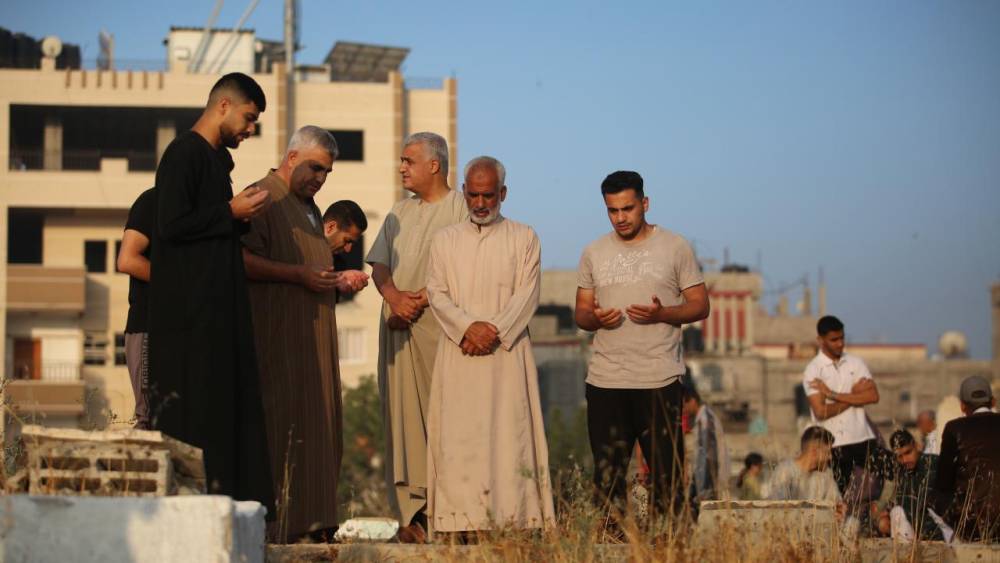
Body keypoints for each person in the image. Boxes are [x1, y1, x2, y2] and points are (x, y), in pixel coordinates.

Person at [148, 72, 274, 512]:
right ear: (223, 106)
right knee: (194, 416)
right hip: (189, 320)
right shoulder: (184, 154)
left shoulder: (217, 161)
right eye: (248, 117)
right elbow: (171, 225)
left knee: (228, 411)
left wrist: (238, 217)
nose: (250, 129)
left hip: (219, 314)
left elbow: (207, 229)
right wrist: (229, 210)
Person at [241, 126, 368, 542]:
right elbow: (238, 260)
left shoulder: (309, 208)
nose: (320, 179)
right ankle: (280, 531)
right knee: (282, 435)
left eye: (327, 172)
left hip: (314, 345)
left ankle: (315, 526)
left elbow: (313, 265)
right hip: (278, 344)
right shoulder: (263, 196)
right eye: (315, 168)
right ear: (292, 157)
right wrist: (298, 274)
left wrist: (336, 278)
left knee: (321, 432)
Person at [424, 156, 555, 534]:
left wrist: (492, 331)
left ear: (503, 194)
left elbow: (527, 294)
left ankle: (514, 521)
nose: (481, 204)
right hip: (458, 351)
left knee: (507, 436)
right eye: (474, 195)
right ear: (464, 192)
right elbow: (437, 292)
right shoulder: (444, 240)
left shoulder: (524, 237)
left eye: (489, 196)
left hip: (506, 355)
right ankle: (457, 523)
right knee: (457, 438)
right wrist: (466, 327)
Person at [574, 170, 710, 527]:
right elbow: (581, 313)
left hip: (659, 379)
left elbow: (700, 304)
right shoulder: (594, 252)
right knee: (608, 478)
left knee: (666, 478)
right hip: (605, 381)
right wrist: (596, 319)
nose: (621, 218)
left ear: (645, 204)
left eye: (628, 209)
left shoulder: (675, 247)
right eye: (613, 210)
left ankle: (667, 544)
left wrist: (663, 313)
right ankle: (613, 544)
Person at [365, 132, 467, 542]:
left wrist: (416, 303)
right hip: (397, 335)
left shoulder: (461, 208)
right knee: (402, 422)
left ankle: (453, 515)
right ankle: (415, 519)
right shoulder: (398, 211)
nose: (402, 167)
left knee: (447, 421)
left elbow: (462, 269)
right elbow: (379, 264)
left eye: (409, 160)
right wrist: (393, 300)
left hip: (438, 335)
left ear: (434, 165)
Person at [803, 315, 890, 494]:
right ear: (820, 340)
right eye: (834, 340)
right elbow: (820, 412)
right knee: (841, 496)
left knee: (895, 473)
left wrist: (833, 395)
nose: (840, 343)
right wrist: (855, 396)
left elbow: (873, 396)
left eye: (842, 338)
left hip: (863, 438)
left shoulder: (855, 363)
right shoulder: (813, 370)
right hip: (833, 445)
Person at [934, 375, 1000, 543]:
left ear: (962, 406)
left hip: (970, 525)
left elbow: (943, 483)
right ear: (993, 402)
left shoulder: (954, 429)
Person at [117, 187, 155, 429]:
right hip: (147, 324)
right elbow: (127, 260)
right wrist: (181, 284)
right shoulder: (153, 202)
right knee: (149, 416)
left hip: (179, 327)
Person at [765, 426, 842, 505]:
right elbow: (777, 509)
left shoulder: (826, 474)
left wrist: (838, 510)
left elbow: (836, 502)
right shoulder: (785, 471)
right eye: (827, 452)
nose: (830, 457)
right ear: (814, 452)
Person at [682, 385, 730, 503]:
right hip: (704, 482)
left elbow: (709, 457)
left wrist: (704, 489)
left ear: (692, 401)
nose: (684, 409)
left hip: (709, 484)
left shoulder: (706, 420)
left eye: (684, 405)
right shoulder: (700, 420)